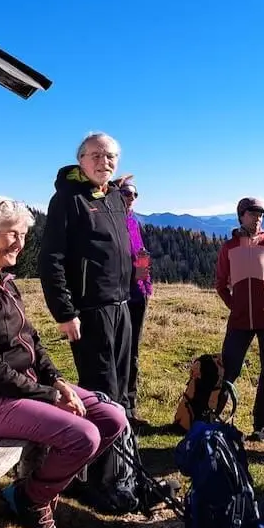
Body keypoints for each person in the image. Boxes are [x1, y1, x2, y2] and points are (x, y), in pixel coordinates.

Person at [0, 196, 127, 528]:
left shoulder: (4, 281)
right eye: (11, 234)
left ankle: (35, 490)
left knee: (113, 418)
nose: (19, 244)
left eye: (23, 235)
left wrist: (57, 380)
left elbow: (31, 339)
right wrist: (51, 397)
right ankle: (33, 501)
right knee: (84, 437)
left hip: (24, 389)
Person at [39, 132, 146, 418]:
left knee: (122, 380)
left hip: (122, 304)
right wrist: (64, 313)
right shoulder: (67, 199)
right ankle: (102, 443)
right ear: (81, 161)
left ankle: (124, 441)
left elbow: (123, 247)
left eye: (110, 156)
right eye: (96, 156)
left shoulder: (114, 197)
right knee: (102, 387)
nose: (104, 162)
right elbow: (50, 259)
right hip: (91, 310)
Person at [214, 197, 264, 442]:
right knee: (228, 370)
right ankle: (214, 417)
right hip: (239, 320)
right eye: (253, 214)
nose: (258, 218)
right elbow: (220, 284)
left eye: (261, 214)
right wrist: (234, 305)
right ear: (241, 216)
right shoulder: (229, 247)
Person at [120, 179, 153, 425]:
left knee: (133, 353)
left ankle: (130, 407)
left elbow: (140, 254)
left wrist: (146, 285)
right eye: (126, 193)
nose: (131, 197)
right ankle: (119, 408)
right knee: (119, 353)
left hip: (138, 294)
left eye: (134, 194)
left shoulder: (133, 222)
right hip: (120, 296)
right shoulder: (112, 222)